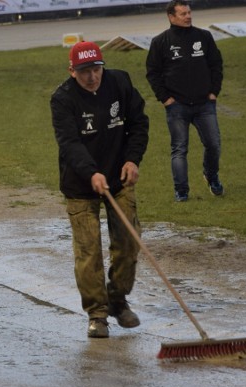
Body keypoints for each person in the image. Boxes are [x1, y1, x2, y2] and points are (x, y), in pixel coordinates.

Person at [50, 41, 149, 339]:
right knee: (88, 250)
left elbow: (139, 124)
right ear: (72, 72)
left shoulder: (120, 82)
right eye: (84, 72)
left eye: (96, 70)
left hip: (118, 178)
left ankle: (117, 299)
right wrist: (91, 172)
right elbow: (69, 143)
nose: (92, 77)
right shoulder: (62, 99)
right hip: (80, 184)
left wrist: (132, 159)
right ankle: (97, 313)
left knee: (129, 242)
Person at [146, 0, 224, 202]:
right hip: (177, 106)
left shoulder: (204, 36)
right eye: (183, 14)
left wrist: (214, 92)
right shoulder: (160, 41)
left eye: (189, 12)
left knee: (213, 144)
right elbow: (153, 73)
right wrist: (166, 99)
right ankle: (181, 191)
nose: (188, 16)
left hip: (204, 104)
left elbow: (216, 64)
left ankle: (211, 175)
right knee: (179, 149)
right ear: (171, 17)